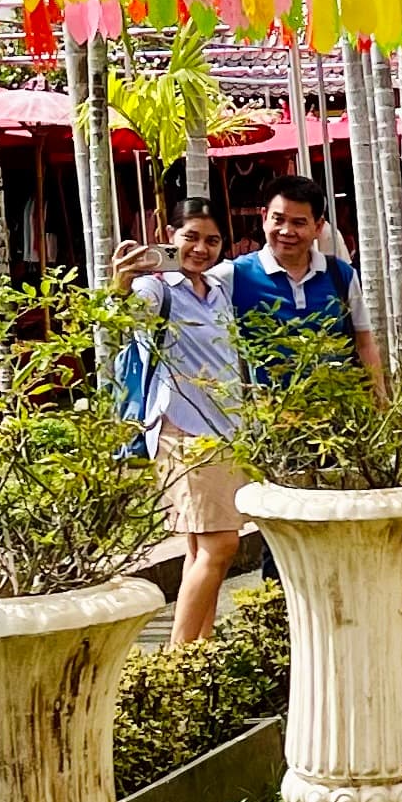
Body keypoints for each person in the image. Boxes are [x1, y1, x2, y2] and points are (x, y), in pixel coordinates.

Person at [117, 205, 244, 646]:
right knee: (221, 545)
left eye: (211, 241)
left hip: (227, 427)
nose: (200, 249)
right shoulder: (155, 290)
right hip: (184, 431)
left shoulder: (219, 290)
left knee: (200, 548)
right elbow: (123, 319)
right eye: (191, 237)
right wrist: (120, 284)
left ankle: (199, 652)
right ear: (169, 235)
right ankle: (179, 655)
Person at [231, 171, 384, 396]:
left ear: (318, 226)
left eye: (299, 223)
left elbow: (364, 343)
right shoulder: (236, 274)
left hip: (340, 414)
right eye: (279, 219)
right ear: (264, 218)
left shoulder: (341, 275)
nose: (286, 231)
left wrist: (380, 399)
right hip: (268, 418)